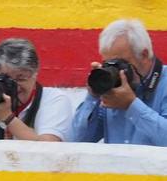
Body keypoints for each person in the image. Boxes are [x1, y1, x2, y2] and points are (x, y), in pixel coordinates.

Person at [71, 18, 167, 146]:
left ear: (144, 55)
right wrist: (93, 96)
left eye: (120, 63)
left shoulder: (164, 83)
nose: (115, 70)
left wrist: (131, 105)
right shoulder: (112, 90)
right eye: (108, 64)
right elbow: (77, 141)